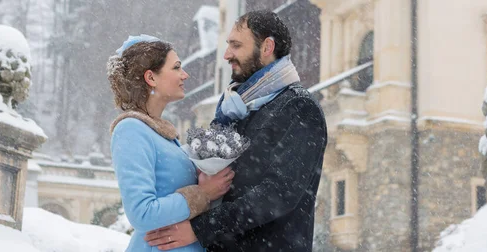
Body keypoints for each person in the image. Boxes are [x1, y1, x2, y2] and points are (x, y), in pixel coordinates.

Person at [144, 10, 328, 251]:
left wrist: (201, 228)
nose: (227, 54)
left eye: (236, 45)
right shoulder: (233, 108)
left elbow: (279, 193)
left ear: (267, 47)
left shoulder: (299, 107)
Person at [108, 35, 235, 252]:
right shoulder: (130, 129)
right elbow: (142, 213)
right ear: (151, 77)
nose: (185, 74)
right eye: (176, 67)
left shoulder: (164, 136)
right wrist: (202, 194)